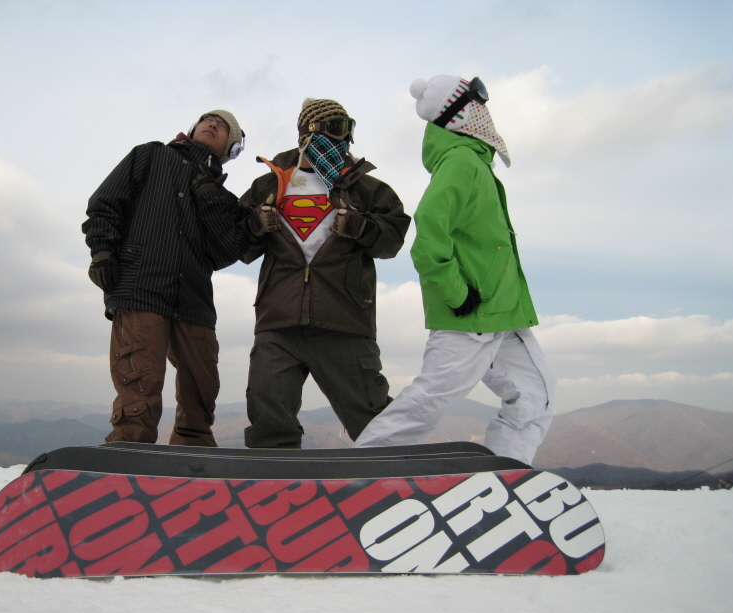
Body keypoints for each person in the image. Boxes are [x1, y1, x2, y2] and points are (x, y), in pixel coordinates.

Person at [354, 76, 556, 465]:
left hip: (503, 313)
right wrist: (458, 295)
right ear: (458, 113)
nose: (485, 109)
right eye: (477, 101)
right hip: (472, 312)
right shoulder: (461, 162)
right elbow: (428, 238)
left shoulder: (474, 162)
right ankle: (361, 472)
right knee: (430, 400)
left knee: (534, 397)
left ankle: (505, 475)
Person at [239, 98, 411, 448]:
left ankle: (397, 474)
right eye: (334, 128)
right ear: (308, 132)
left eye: (348, 129)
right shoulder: (269, 185)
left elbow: (392, 241)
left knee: (373, 420)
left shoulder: (366, 189)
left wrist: (361, 227)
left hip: (343, 319)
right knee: (269, 418)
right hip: (279, 321)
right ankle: (274, 477)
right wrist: (254, 225)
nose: (342, 139)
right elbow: (238, 246)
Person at [82, 110, 249, 447]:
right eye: (208, 119)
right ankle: (128, 457)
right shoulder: (151, 155)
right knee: (139, 387)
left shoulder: (222, 198)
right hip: (141, 287)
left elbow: (228, 250)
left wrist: (208, 194)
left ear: (230, 150)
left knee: (201, 391)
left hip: (194, 300)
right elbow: (105, 202)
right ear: (194, 127)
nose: (213, 124)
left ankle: (194, 461)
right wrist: (102, 250)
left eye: (224, 127)